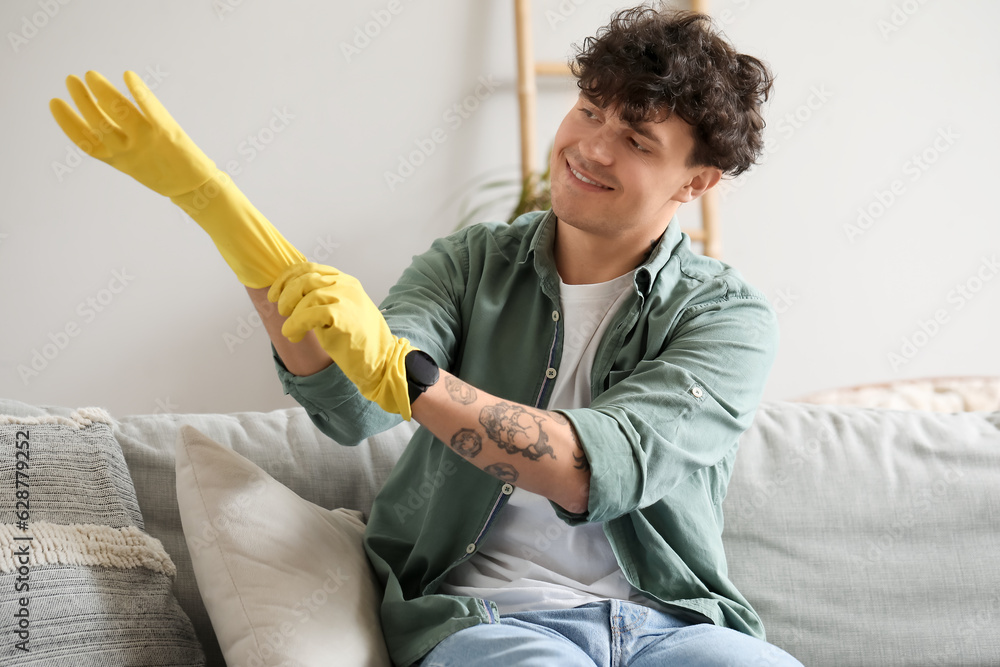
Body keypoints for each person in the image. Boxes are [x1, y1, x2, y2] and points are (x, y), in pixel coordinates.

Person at [50, 4, 802, 665]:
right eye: (589, 109)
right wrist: (217, 209)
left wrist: (406, 374)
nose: (592, 147)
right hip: (489, 619)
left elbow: (586, 469)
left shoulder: (726, 319)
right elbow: (354, 405)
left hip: (674, 627)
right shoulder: (471, 265)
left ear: (697, 180)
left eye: (637, 140)